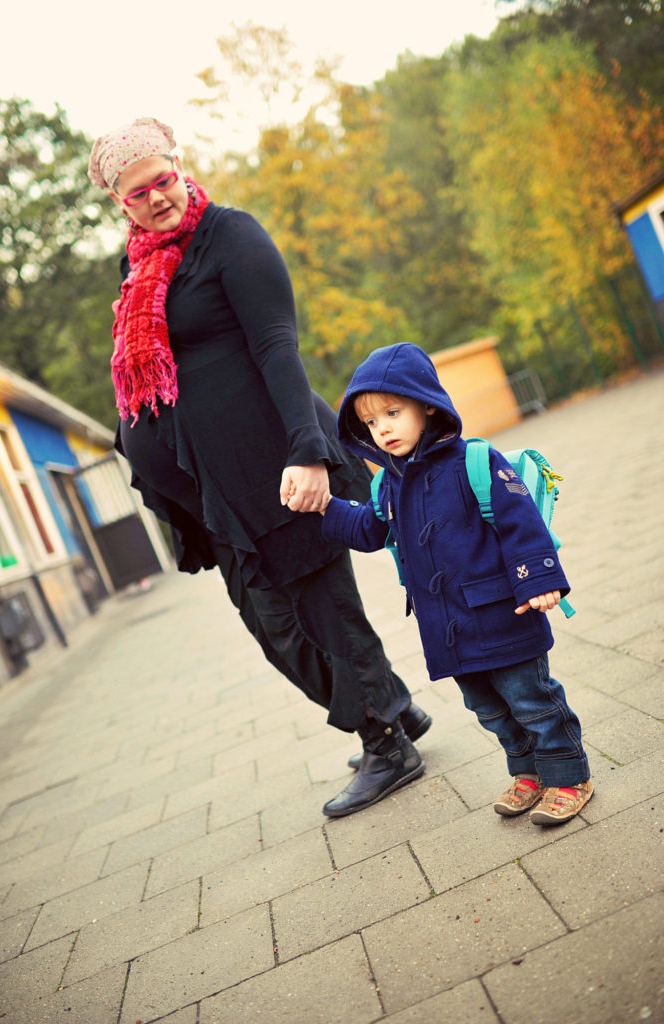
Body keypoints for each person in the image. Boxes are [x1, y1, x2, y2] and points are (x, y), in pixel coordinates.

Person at [87, 117, 431, 818]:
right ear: (118, 203)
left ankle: (387, 744)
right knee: (275, 625)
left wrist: (307, 454)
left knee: (317, 614)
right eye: (137, 193)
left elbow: (277, 346)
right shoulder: (140, 264)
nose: (156, 198)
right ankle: (391, 708)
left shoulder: (231, 238)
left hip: (276, 465)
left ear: (180, 167)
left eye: (163, 180)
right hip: (219, 488)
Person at [316, 342, 593, 826]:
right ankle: (528, 772)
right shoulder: (389, 485)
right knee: (488, 707)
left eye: (392, 412)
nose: (382, 428)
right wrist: (324, 507)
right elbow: (370, 529)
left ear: (425, 403)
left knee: (532, 699)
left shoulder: (477, 462)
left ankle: (569, 776)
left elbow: (519, 524)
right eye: (371, 422)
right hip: (449, 627)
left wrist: (538, 580)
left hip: (504, 612)